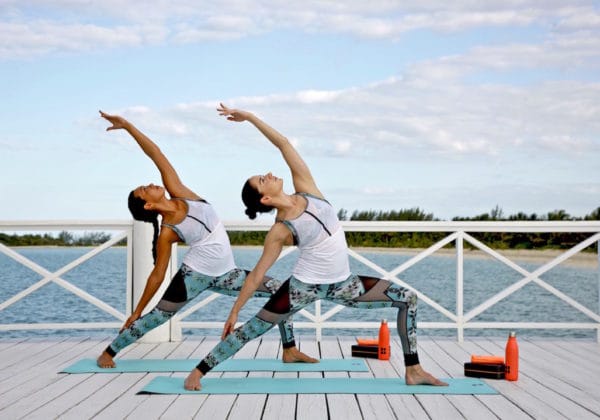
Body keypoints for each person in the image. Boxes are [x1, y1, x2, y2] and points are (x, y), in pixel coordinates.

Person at [184, 104, 448, 390]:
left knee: (407, 299)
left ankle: (414, 370)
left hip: (343, 285)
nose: (269, 174)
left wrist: (249, 118)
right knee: (252, 329)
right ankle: (198, 372)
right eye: (263, 179)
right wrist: (235, 311)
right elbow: (258, 274)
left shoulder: (306, 187)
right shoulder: (280, 230)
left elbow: (283, 144)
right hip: (302, 288)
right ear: (265, 199)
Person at [96, 111, 316, 368]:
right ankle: (109, 352)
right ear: (147, 205)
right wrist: (137, 310)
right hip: (194, 277)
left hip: (227, 275)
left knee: (281, 291)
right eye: (144, 189)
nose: (150, 184)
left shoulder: (181, 193)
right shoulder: (167, 232)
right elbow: (157, 274)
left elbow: (156, 154)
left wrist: (129, 127)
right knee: (158, 317)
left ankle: (289, 350)